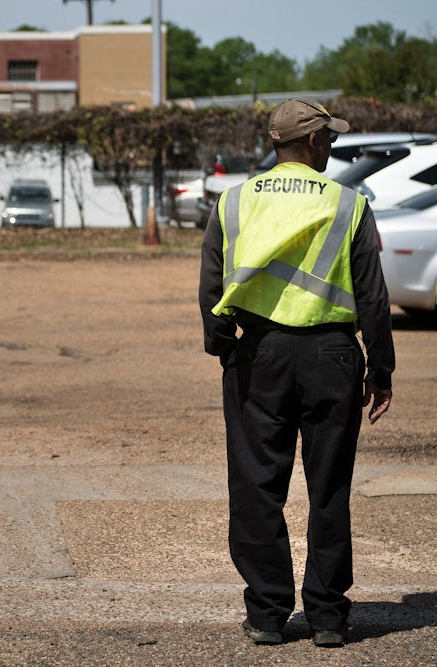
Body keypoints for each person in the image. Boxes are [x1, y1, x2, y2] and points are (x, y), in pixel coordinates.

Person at [199, 99, 395, 648]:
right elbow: (373, 297)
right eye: (329, 138)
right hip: (333, 357)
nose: (332, 146)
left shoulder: (233, 201)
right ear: (310, 142)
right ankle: (328, 618)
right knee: (329, 488)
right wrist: (380, 368)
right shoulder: (348, 205)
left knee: (257, 486)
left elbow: (212, 282)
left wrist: (223, 347)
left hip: (257, 356)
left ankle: (267, 615)